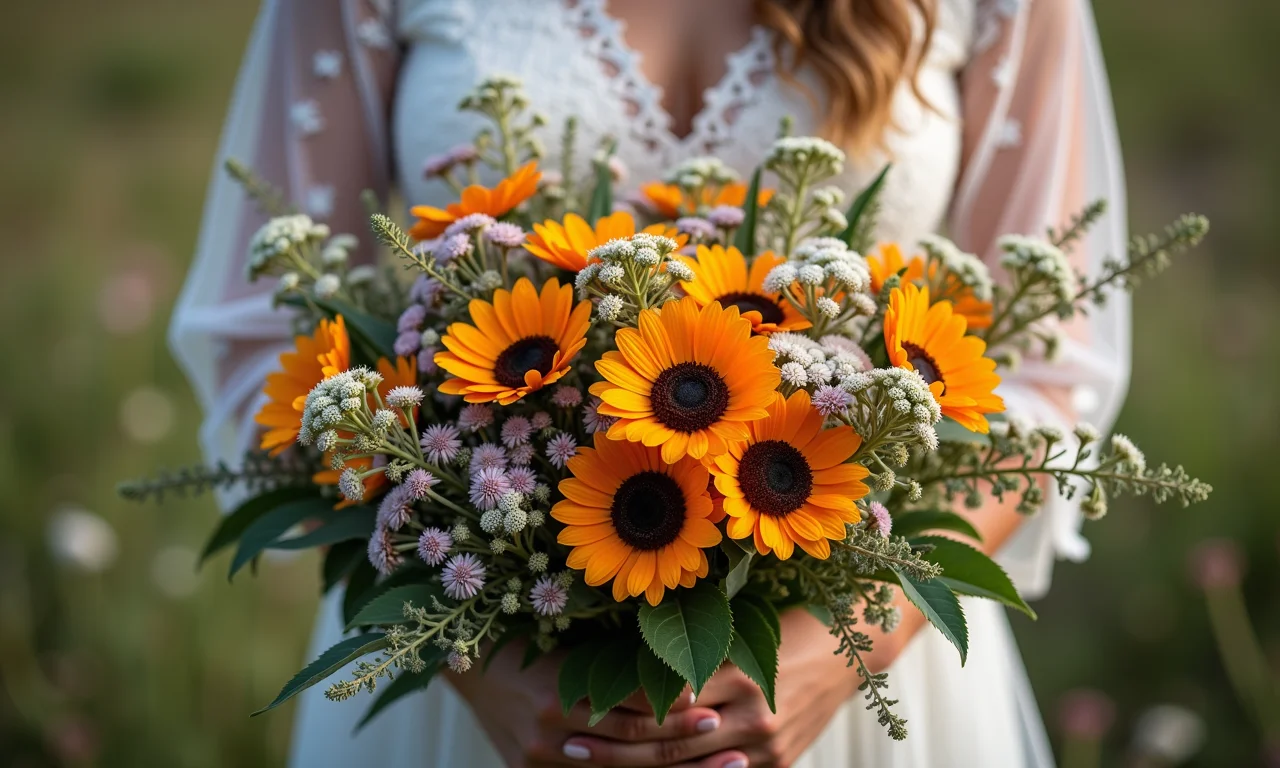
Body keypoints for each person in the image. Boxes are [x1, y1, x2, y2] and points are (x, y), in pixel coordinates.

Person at [170, 0, 1130, 765]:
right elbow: (271, 345)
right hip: (484, 711)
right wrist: (472, 658)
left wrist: (846, 652)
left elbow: (1042, 376)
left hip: (845, 693)